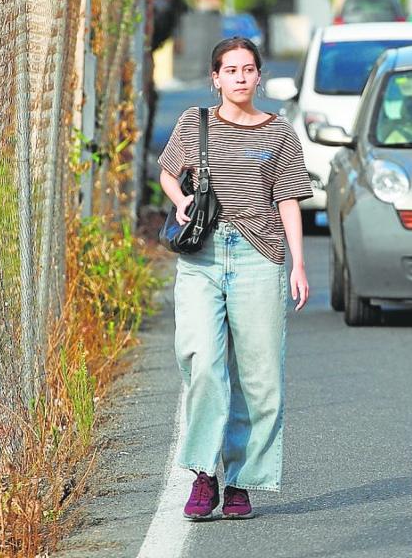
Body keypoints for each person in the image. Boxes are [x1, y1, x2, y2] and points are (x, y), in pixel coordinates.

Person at [158, 37, 313, 521]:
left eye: (248, 69)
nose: (240, 77)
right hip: (202, 254)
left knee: (259, 374)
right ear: (216, 78)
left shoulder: (279, 133)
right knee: (202, 359)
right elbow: (168, 172)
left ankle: (242, 480)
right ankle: (204, 473)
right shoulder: (195, 123)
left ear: (259, 77)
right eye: (231, 70)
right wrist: (179, 200)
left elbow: (287, 199)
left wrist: (298, 264)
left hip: (259, 255)